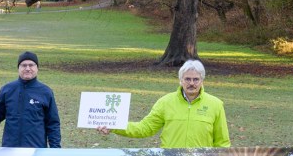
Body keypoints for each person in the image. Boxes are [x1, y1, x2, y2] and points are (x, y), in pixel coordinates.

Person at [97, 59, 230, 148]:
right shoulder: (165, 102)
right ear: (180, 80)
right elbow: (144, 128)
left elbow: (222, 142)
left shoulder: (216, 105)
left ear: (202, 81)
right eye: (187, 79)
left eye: (196, 79)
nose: (191, 83)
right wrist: (114, 126)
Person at [0, 51, 61, 148]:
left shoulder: (45, 92)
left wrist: (55, 149)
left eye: (31, 65)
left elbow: (53, 124)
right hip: (10, 149)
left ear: (37, 68)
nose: (27, 68)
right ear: (18, 68)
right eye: (24, 65)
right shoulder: (7, 89)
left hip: (36, 150)